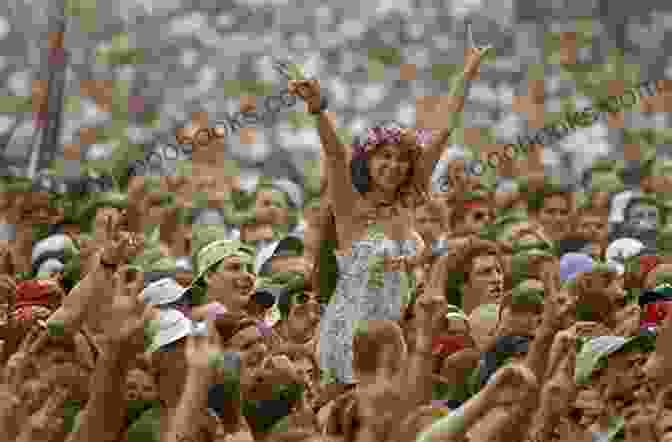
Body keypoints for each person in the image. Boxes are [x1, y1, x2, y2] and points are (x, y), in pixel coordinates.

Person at [288, 46, 490, 385]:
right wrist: (318, 108)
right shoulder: (350, 207)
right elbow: (336, 155)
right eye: (384, 156)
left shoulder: (410, 200)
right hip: (349, 338)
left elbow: (442, 132)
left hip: (395, 337)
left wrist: (468, 71)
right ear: (367, 161)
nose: (393, 166)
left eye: (401, 159)